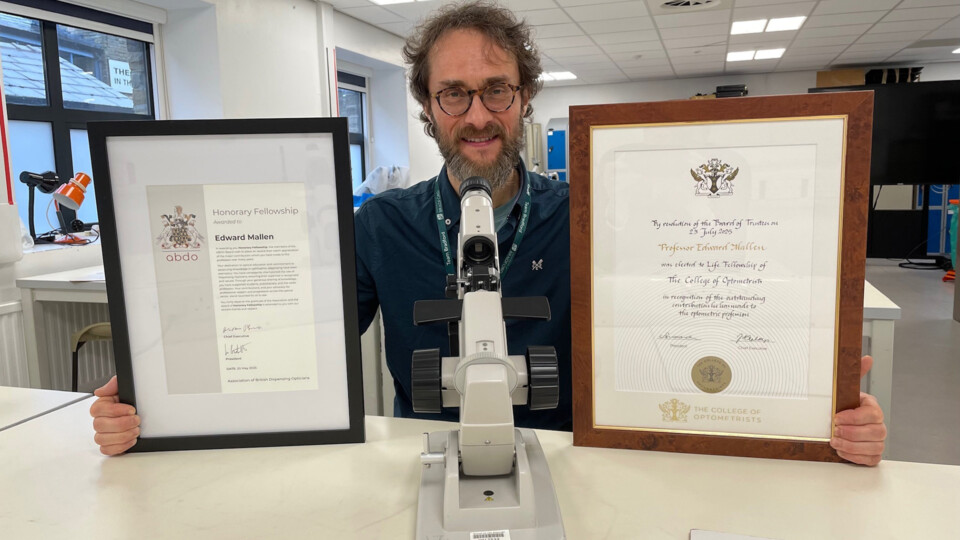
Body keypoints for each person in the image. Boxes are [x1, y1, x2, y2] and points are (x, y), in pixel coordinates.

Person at [89, 1, 887, 466]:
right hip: (422, 462)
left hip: (576, 463)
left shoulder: (593, 215)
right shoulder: (381, 225)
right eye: (454, 94)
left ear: (526, 93)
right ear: (428, 106)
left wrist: (819, 409)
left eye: (497, 90)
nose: (477, 115)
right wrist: (163, 400)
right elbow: (294, 349)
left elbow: (698, 316)